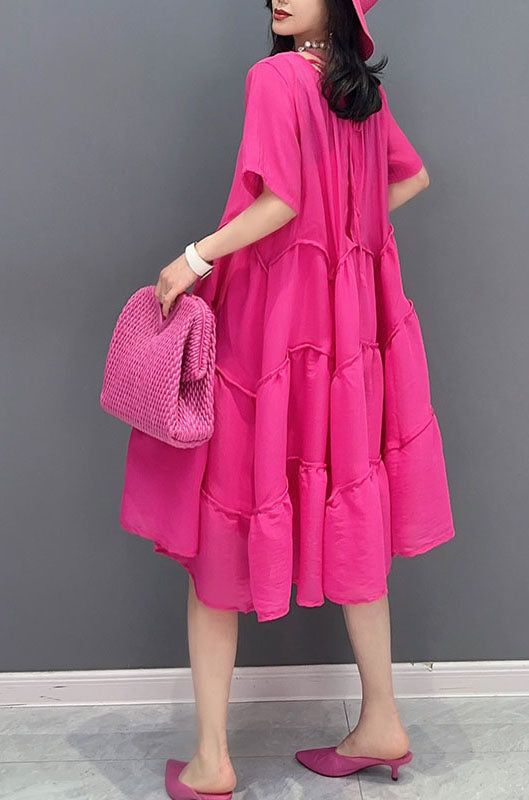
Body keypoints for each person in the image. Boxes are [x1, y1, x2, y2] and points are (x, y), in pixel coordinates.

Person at [120, 1, 456, 797]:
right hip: (344, 337)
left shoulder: (275, 77)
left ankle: (212, 760)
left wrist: (193, 259)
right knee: (351, 501)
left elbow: (280, 203)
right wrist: (347, 230)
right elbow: (411, 177)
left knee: (220, 521)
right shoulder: (358, 91)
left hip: (270, 328)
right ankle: (381, 718)